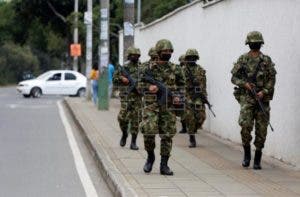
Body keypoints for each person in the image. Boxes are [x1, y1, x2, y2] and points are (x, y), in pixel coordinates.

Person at [231, 31, 277, 170]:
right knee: (245, 126)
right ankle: (246, 155)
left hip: (262, 100)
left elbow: (271, 79)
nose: (255, 44)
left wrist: (264, 92)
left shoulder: (266, 60)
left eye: (257, 42)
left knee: (262, 130)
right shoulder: (243, 59)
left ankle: (257, 158)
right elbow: (234, 78)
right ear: (248, 44)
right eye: (253, 42)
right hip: (247, 99)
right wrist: (244, 84)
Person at [140, 39, 185, 175]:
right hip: (151, 105)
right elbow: (137, 85)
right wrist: (149, 87)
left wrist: (178, 96)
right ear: (158, 52)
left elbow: (183, 86)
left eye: (170, 51)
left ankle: (164, 165)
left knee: (167, 134)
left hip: (169, 106)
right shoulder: (146, 68)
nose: (168, 53)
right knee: (148, 131)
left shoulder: (176, 69)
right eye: (165, 51)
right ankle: (150, 157)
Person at [113, 47, 142, 150]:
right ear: (129, 56)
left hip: (137, 98)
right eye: (133, 55)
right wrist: (122, 78)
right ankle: (124, 133)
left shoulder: (142, 68)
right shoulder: (123, 68)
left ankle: (133, 142)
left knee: (136, 120)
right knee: (122, 118)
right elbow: (114, 79)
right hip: (126, 97)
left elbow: (148, 81)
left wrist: (141, 87)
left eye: (137, 55)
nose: (135, 57)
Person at [183, 49, 207, 148]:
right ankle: (192, 138)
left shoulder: (200, 70)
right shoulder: (183, 70)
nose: (192, 59)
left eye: (194, 57)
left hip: (198, 96)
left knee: (201, 116)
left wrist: (204, 96)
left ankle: (194, 129)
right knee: (190, 118)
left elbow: (204, 84)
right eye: (190, 57)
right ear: (187, 59)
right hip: (187, 95)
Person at [177, 54, 188, 134]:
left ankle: (186, 127)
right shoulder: (180, 69)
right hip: (183, 92)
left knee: (184, 110)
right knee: (184, 110)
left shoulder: (184, 69)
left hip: (185, 92)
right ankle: (185, 127)